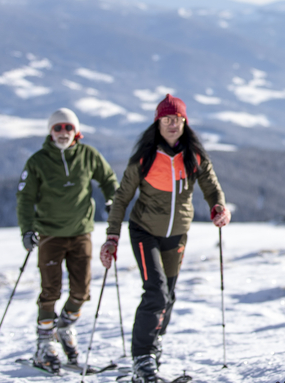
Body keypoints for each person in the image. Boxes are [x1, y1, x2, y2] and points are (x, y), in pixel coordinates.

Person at [101, 94, 231, 383]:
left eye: (177, 119)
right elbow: (122, 198)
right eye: (166, 119)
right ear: (157, 123)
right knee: (156, 292)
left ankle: (154, 343)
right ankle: (142, 358)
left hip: (177, 234)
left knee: (168, 296)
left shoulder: (194, 156)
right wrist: (112, 236)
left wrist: (218, 207)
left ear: (184, 122)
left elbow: (211, 187)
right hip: (144, 232)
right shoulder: (145, 158)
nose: (172, 124)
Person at [16, 108, 119, 374]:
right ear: (50, 131)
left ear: (77, 131)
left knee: (81, 291)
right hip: (49, 234)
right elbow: (25, 199)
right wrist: (27, 230)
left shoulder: (88, 155)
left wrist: (113, 200)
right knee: (50, 290)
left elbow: (108, 179)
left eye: (68, 127)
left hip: (81, 232)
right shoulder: (38, 161)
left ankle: (64, 327)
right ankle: (44, 342)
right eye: (58, 128)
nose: (63, 132)